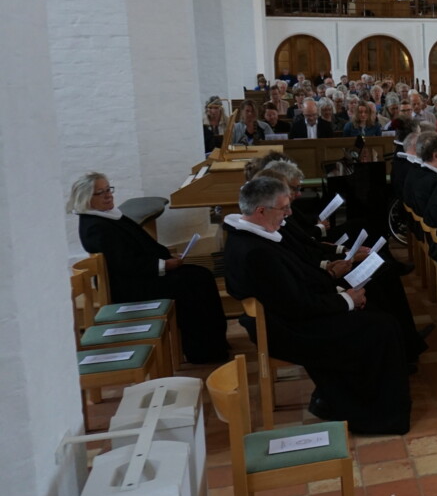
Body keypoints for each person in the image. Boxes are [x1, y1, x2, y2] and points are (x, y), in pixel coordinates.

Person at [222, 177, 412, 435]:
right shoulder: (256, 252)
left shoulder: (253, 237)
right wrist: (346, 300)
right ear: (261, 211)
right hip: (289, 329)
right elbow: (297, 305)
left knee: (378, 318)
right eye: (283, 208)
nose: (289, 214)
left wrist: (338, 291)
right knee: (381, 328)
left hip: (290, 316)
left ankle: (337, 399)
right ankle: (373, 415)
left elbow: (295, 286)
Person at [70, 172, 229, 364]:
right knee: (191, 283)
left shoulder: (108, 216)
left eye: (108, 189)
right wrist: (163, 265)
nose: (108, 195)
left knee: (200, 275)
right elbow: (124, 263)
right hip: (129, 286)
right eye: (100, 193)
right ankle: (203, 350)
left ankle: (214, 343)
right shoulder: (95, 226)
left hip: (139, 276)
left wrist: (166, 256)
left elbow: (144, 244)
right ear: (86, 199)